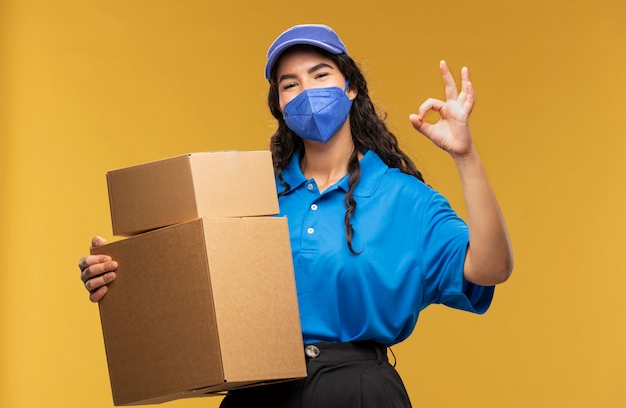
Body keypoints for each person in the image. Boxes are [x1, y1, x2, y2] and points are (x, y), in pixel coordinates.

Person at [78, 24, 513, 408]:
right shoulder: (250, 196)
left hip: (358, 393)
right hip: (258, 393)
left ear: (351, 87)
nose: (306, 91)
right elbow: (192, 285)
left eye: (320, 75)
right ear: (280, 105)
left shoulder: (404, 198)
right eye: (290, 84)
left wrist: (466, 156)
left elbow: (490, 269)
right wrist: (124, 276)